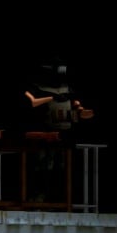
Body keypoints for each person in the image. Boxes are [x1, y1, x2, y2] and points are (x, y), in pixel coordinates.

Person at [22, 58, 92, 203]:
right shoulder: (37, 87)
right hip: (44, 134)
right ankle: (39, 197)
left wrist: (80, 110)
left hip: (63, 135)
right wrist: (50, 98)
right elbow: (32, 103)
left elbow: (76, 104)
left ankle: (57, 199)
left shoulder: (67, 88)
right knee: (42, 165)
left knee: (61, 167)